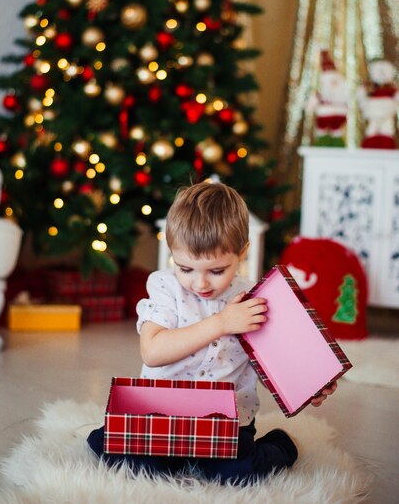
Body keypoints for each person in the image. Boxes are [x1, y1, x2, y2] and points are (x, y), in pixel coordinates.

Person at [88, 181, 336, 483]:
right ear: (172, 253)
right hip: (163, 416)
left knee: (237, 475)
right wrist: (221, 323)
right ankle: (113, 437)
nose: (200, 283)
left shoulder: (253, 299)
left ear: (242, 253)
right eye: (186, 268)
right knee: (139, 468)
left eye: (217, 271)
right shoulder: (165, 287)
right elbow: (152, 353)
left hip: (227, 422)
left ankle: (280, 445)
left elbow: (278, 361)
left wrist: (310, 386)